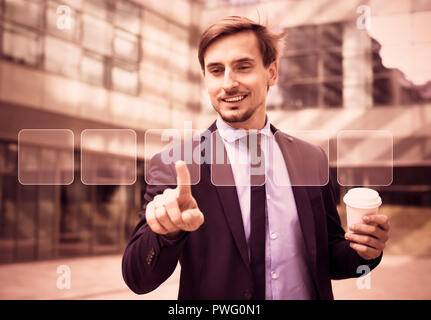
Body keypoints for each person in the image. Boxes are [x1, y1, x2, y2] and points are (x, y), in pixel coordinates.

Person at [122, 16, 390, 300]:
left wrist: (365, 252)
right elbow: (138, 279)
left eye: (243, 66)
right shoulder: (176, 164)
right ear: (205, 79)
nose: (228, 83)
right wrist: (167, 233)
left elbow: (332, 259)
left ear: (271, 72)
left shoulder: (312, 160)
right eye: (216, 70)